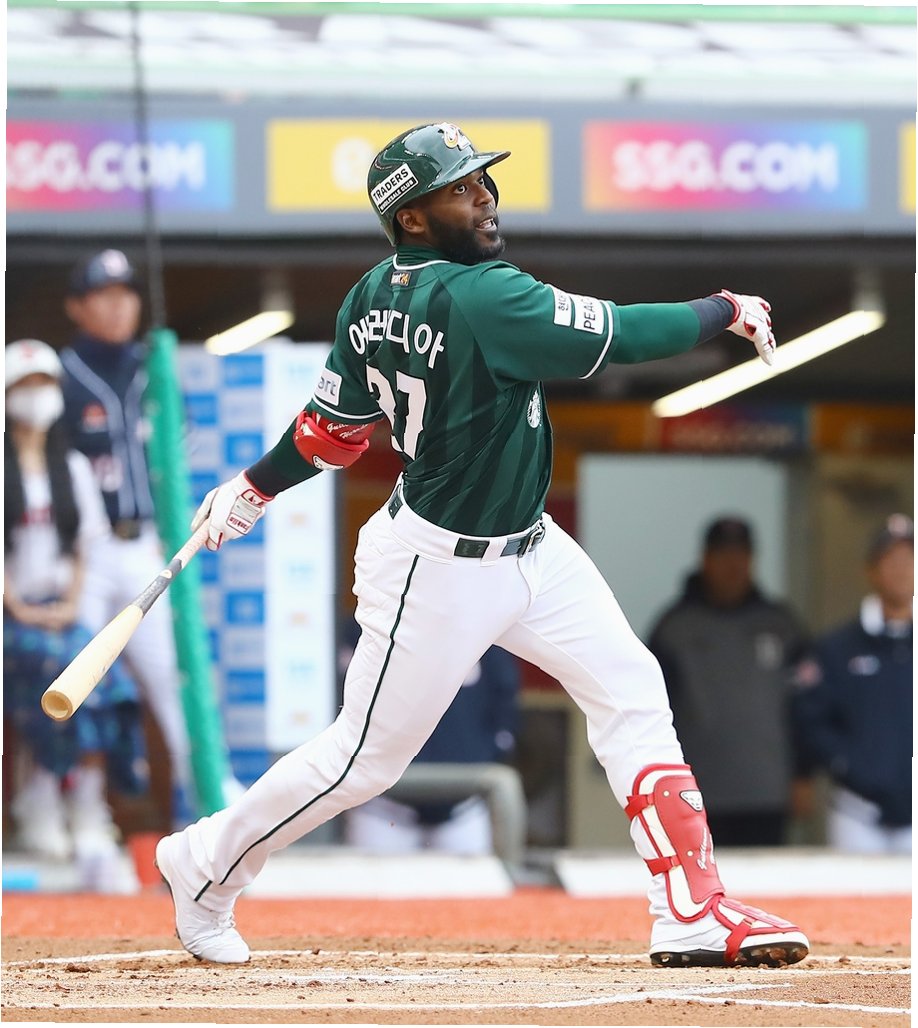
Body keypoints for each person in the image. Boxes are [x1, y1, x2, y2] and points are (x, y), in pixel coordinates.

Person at [155, 122, 808, 968]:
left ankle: (690, 908)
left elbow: (330, 432)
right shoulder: (484, 294)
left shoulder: (372, 292)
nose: (486, 199)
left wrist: (254, 485)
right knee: (362, 761)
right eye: (461, 189)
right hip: (437, 566)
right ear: (412, 217)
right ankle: (204, 863)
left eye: (482, 182)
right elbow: (625, 334)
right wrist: (726, 307)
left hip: (531, 545)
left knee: (631, 688)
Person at [59, 249, 196, 829]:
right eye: (104, 295)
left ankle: (202, 802)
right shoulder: (61, 374)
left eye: (127, 294)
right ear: (77, 307)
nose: (119, 306)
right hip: (84, 555)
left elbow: (178, 451)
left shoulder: (153, 369)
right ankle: (82, 809)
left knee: (172, 678)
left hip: (143, 545)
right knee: (77, 680)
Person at [3, 339, 145, 891]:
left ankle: (86, 802)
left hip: (62, 611)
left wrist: (69, 607)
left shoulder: (73, 466)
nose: (36, 396)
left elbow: (84, 550)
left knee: (108, 681)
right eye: (25, 386)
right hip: (14, 616)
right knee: (52, 671)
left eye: (44, 385)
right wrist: (20, 607)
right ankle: (42, 799)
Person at [647, 517, 809, 846]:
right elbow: (650, 711)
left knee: (769, 878)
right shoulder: (674, 628)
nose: (733, 564)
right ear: (705, 559)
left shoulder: (781, 625)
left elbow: (805, 707)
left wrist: (803, 774)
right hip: (694, 794)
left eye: (741, 554)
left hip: (767, 792)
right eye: (723, 554)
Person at [339, 616, 521, 855]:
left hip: (462, 806)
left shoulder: (480, 624)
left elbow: (504, 705)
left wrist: (486, 754)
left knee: (471, 879)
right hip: (384, 808)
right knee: (373, 879)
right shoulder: (372, 621)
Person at [792, 514, 913, 855]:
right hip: (858, 814)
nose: (901, 569)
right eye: (891, 559)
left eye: (909, 559)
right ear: (871, 570)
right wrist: (845, 762)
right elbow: (810, 720)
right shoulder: (837, 648)